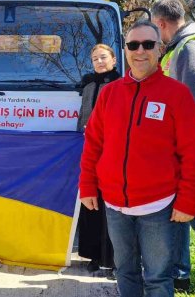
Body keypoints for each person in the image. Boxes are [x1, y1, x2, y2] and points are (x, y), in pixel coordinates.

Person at [79, 19, 195, 297]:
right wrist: (87, 185)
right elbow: (94, 144)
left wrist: (187, 201)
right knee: (125, 271)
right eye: (133, 44)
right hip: (114, 206)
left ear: (159, 49)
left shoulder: (177, 94)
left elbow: (192, 152)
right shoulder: (109, 93)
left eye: (148, 44)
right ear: (125, 50)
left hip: (158, 207)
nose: (140, 51)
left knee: (159, 277)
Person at [151, 0, 195, 297]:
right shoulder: (181, 44)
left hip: (194, 143)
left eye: (156, 29)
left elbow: (188, 103)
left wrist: (177, 143)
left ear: (162, 23)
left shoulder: (190, 45)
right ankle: (180, 273)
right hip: (183, 140)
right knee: (178, 211)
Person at [76, 44, 120, 277]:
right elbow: (83, 116)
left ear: (114, 59)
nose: (99, 62)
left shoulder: (121, 84)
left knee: (112, 206)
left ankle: (113, 258)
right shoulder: (89, 85)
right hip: (90, 151)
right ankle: (93, 255)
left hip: (112, 151)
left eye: (103, 57)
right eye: (95, 58)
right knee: (91, 203)